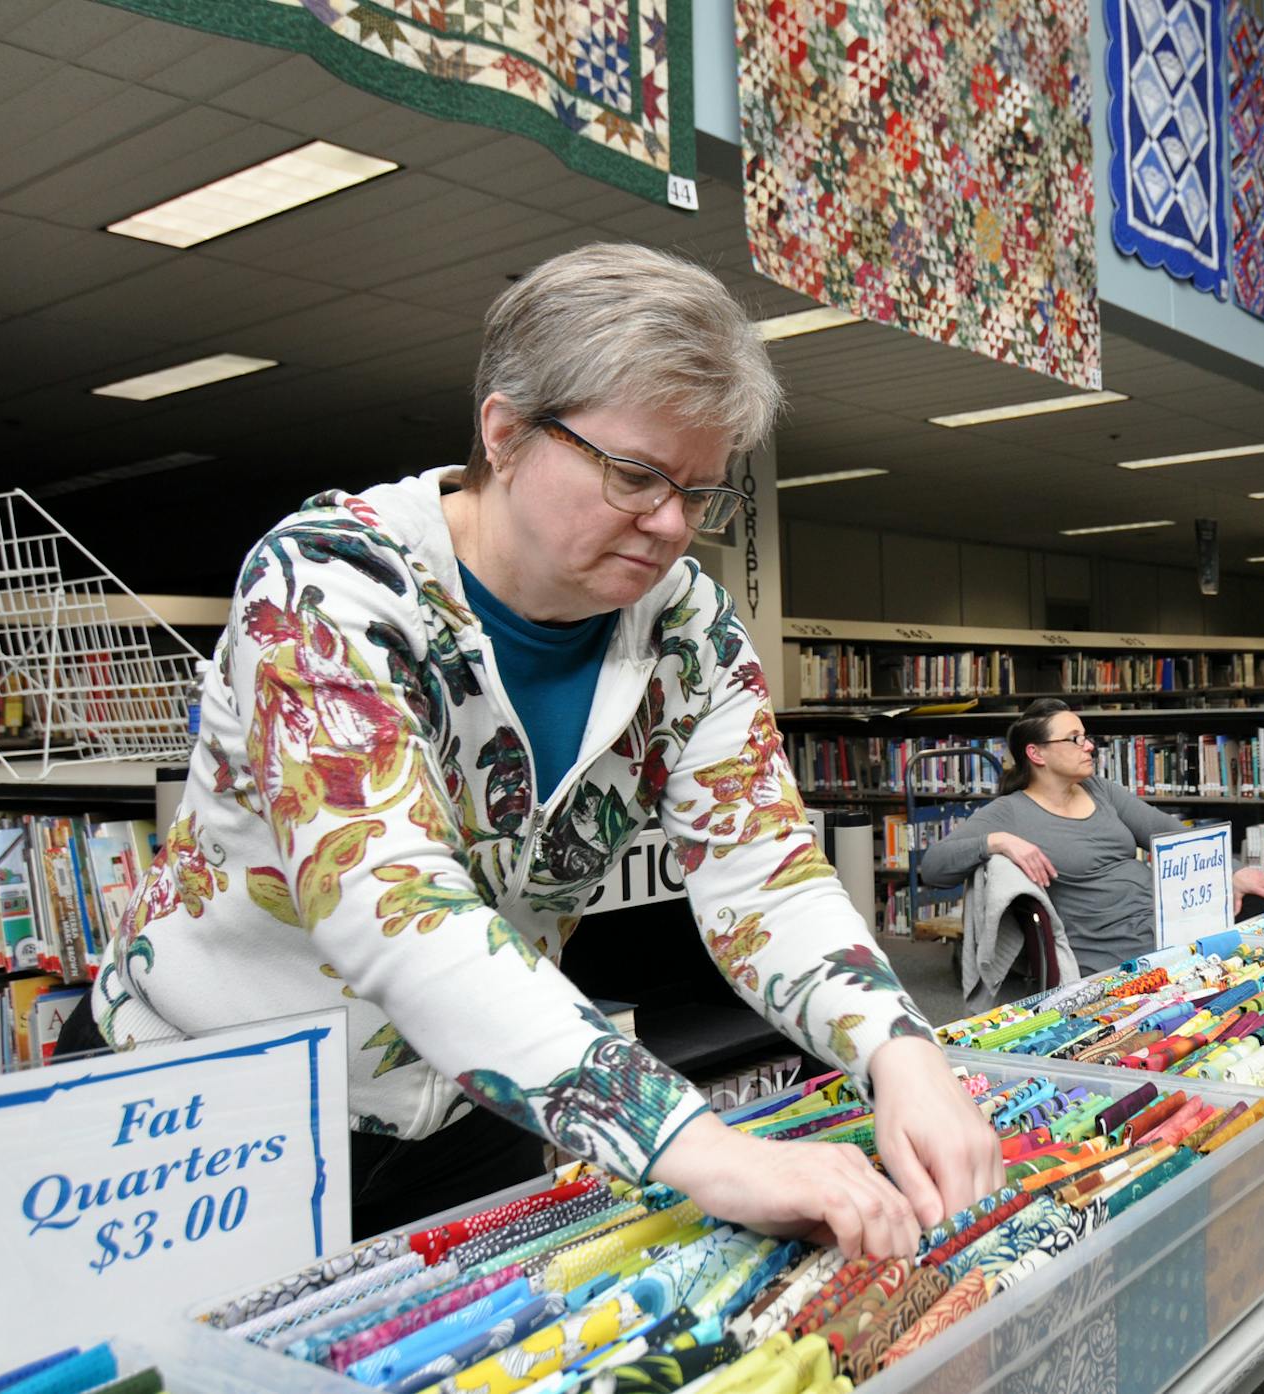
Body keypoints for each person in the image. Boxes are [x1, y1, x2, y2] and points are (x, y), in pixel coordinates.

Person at [68, 243, 999, 1251]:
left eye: (701, 491)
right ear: (506, 431)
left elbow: (765, 873)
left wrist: (902, 1051)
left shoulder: (689, 626)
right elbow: (395, 906)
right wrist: (702, 1146)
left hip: (476, 1106)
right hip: (205, 1115)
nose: (672, 525)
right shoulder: (329, 582)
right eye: (637, 476)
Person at [919, 699, 1264, 972]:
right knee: (1263, 956)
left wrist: (1231, 871)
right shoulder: (1010, 812)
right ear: (1036, 753)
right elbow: (933, 867)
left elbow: (1171, 835)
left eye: (1086, 737)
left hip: (1171, 916)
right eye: (1075, 739)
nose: (1089, 746)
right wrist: (997, 841)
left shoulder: (1099, 790)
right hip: (1119, 946)